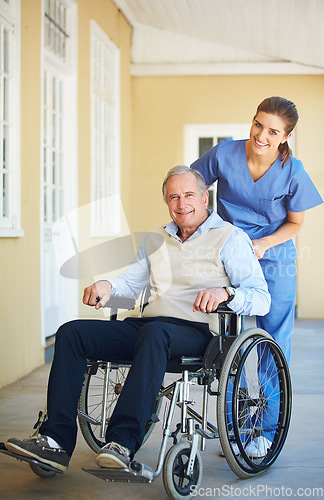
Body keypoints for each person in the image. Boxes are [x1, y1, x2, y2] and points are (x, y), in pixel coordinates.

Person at [5, 166, 270, 472]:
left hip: (200, 333)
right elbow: (131, 284)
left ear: (204, 197)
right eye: (173, 197)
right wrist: (107, 285)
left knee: (156, 333)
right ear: (167, 202)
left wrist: (226, 293)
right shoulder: (156, 238)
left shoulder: (230, 238)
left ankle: (122, 441)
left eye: (188, 195)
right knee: (71, 333)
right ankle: (55, 442)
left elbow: (261, 298)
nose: (181, 203)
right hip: (149, 329)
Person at [191, 96, 323, 365]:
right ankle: (229, 403)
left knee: (273, 337)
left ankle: (270, 406)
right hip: (226, 253)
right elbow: (191, 186)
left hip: (274, 257)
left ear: (286, 136)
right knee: (221, 334)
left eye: (273, 131)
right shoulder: (224, 153)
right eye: (258, 124)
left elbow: (295, 223)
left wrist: (263, 244)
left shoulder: (293, 172)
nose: (261, 136)